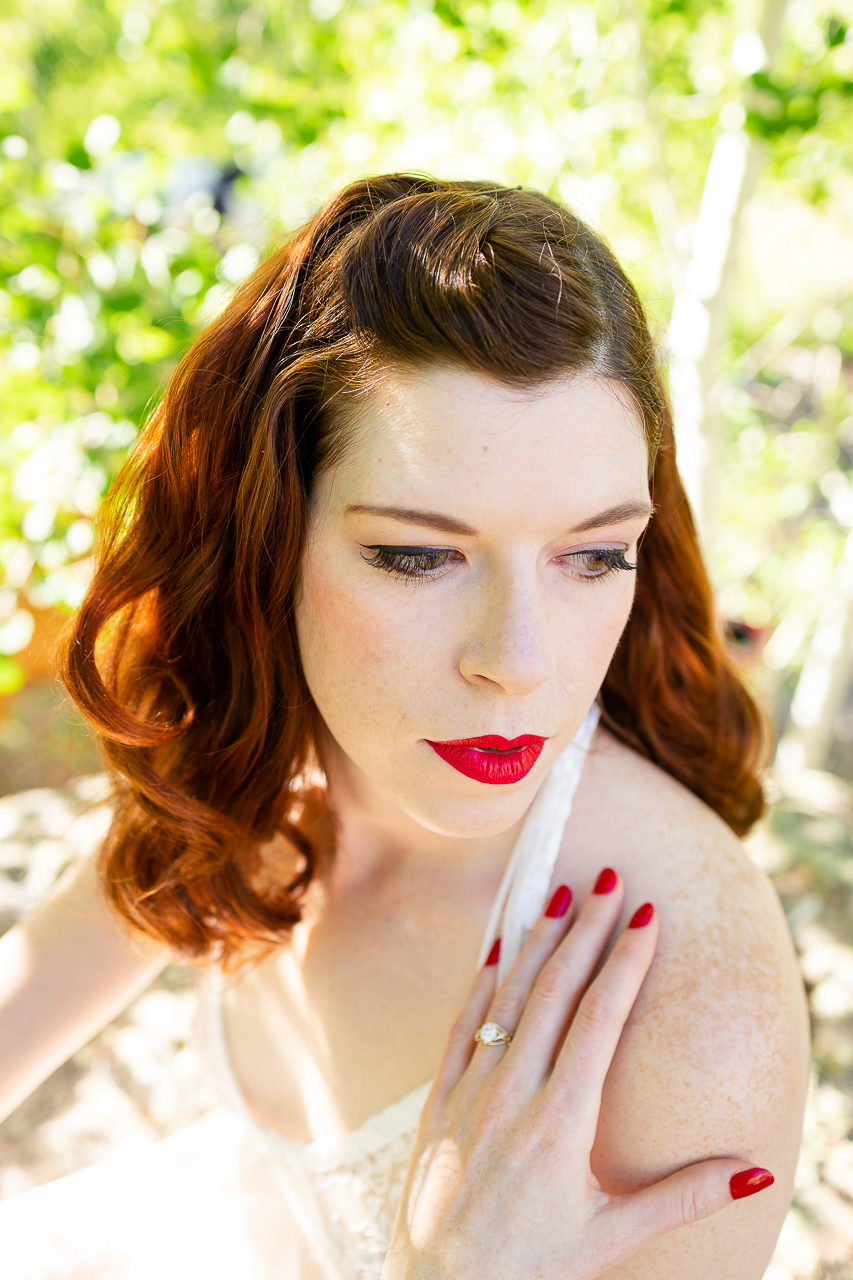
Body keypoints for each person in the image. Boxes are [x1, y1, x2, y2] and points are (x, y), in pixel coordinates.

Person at [0, 174, 809, 1279]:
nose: (518, 662)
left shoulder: (683, 997)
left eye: (593, 553)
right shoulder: (264, 767)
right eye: (417, 555)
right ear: (269, 533)